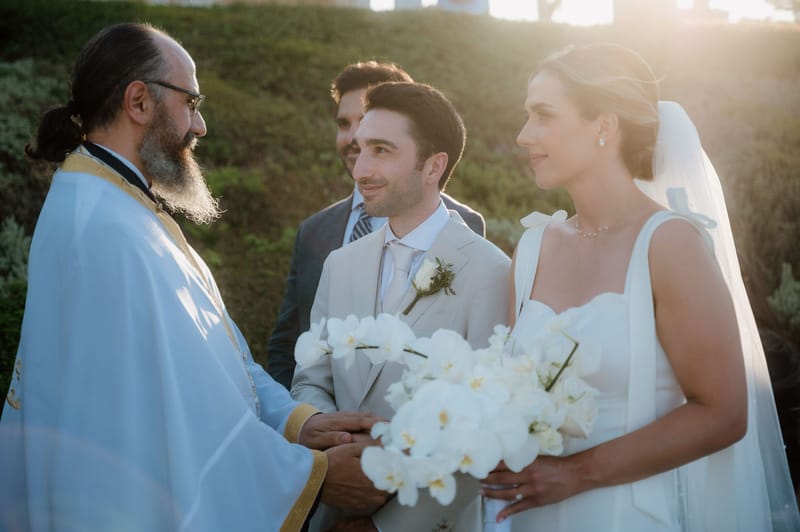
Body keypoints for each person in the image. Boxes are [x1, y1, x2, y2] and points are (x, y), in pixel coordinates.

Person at [0, 23, 388, 531]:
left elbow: (213, 353)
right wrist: (310, 477)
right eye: (191, 102)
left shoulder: (116, 201)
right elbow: (184, 413)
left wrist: (299, 423)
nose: (199, 126)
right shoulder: (105, 229)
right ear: (139, 101)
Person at [481, 43, 800, 531]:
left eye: (543, 115)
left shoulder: (670, 244)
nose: (524, 135)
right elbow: (509, 390)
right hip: (527, 516)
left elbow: (723, 414)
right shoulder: (532, 248)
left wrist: (575, 474)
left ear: (605, 126)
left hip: (624, 516)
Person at [291, 81, 510, 531]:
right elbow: (310, 380)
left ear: (433, 166)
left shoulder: (492, 272)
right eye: (360, 150)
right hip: (332, 512)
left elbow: (485, 426)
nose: (360, 170)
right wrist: (337, 449)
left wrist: (383, 527)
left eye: (382, 151)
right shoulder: (340, 264)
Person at [266, 61, 485, 390]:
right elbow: (289, 345)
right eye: (344, 124)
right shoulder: (314, 231)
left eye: (366, 122)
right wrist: (307, 416)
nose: (353, 138)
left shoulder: (466, 228)